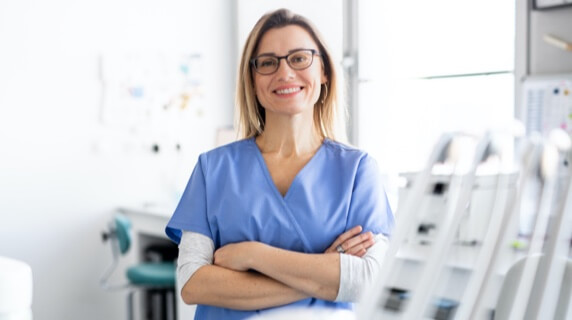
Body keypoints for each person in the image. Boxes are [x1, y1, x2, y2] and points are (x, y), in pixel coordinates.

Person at [165, 8, 394, 319]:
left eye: (299, 58)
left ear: (324, 71)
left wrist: (252, 254)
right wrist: (322, 272)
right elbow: (194, 283)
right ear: (253, 80)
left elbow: (367, 281)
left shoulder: (357, 171)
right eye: (268, 63)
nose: (284, 73)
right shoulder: (212, 169)